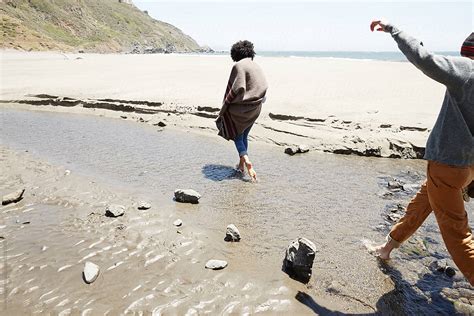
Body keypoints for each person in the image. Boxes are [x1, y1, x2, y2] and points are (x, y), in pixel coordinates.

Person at [370, 20, 474, 285]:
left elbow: (424, 58)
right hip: (465, 167)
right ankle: (387, 248)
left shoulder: (467, 71)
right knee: (422, 202)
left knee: (458, 237)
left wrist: (394, 30)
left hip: (448, 165)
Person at [216, 40, 268, 181]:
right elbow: (263, 86)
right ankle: (241, 165)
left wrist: (224, 108)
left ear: (235, 54)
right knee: (244, 136)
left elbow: (235, 89)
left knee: (238, 137)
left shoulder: (238, 66)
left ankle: (247, 160)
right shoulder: (256, 65)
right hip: (256, 108)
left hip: (241, 110)